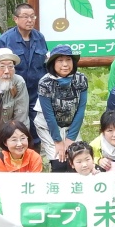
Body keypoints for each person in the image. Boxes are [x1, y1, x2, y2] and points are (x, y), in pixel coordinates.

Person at [0, 3, 49, 147]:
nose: (30, 20)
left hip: (36, 92)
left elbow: (45, 64)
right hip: (13, 92)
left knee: (35, 127)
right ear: (15, 19)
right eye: (25, 17)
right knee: (15, 128)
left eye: (32, 16)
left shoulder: (40, 38)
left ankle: (33, 158)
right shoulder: (5, 39)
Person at [0, 120, 43, 227]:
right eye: (14, 139)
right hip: (1, 211)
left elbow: (35, 191)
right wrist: (6, 225)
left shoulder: (34, 157)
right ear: (5, 142)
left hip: (24, 208)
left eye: (23, 138)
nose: (19, 144)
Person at [34, 45, 89, 173]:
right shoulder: (45, 82)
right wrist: (58, 141)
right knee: (59, 163)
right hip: (48, 126)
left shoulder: (81, 79)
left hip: (71, 126)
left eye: (68, 60)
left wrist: (70, 139)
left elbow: (81, 109)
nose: (65, 64)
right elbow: (48, 115)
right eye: (60, 60)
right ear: (52, 63)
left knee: (74, 161)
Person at [67, 141, 114, 227]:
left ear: (93, 159)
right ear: (72, 164)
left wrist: (98, 174)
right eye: (79, 161)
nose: (84, 165)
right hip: (77, 212)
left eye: (87, 159)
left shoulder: (99, 172)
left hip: (96, 211)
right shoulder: (68, 178)